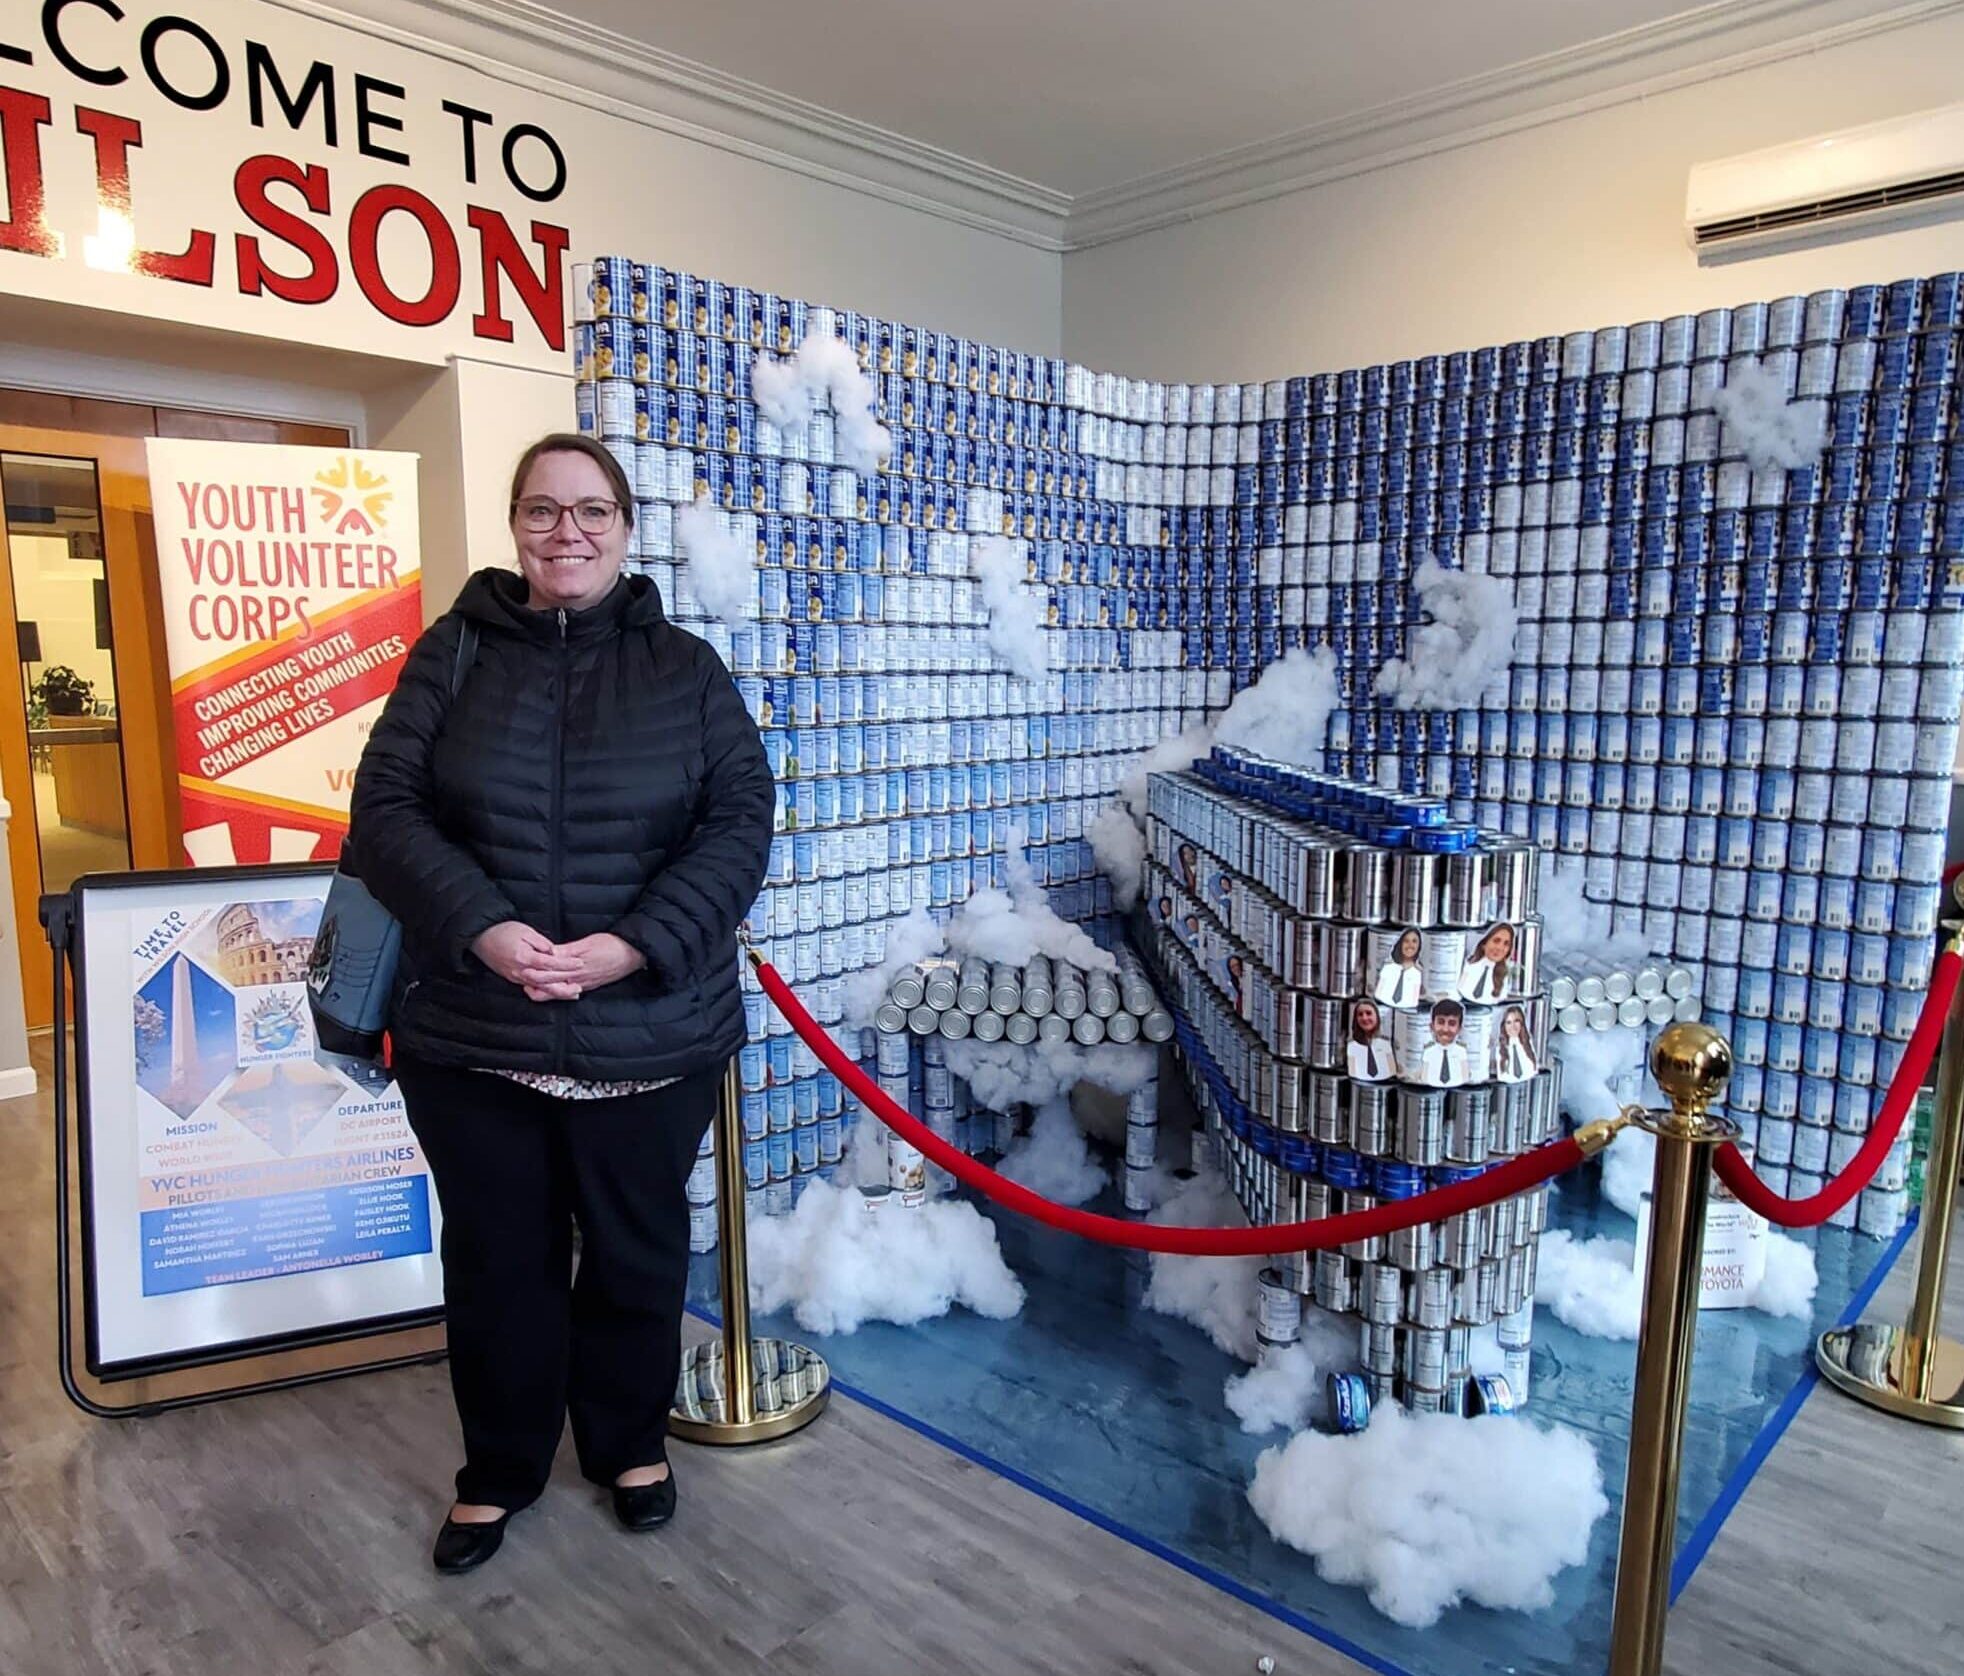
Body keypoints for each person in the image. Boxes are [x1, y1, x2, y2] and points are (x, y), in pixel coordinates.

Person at [348, 432, 773, 1575]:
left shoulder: (685, 669)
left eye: (590, 510)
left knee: (637, 1257)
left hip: (647, 1032)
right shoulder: (452, 654)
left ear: (626, 529)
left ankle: (628, 1445)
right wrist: (485, 928)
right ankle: (497, 1469)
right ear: (516, 526)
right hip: (477, 1035)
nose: (566, 531)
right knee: (497, 1262)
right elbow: (384, 809)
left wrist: (628, 947)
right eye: (541, 510)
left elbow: (738, 826)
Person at [1459, 922, 1517, 1004]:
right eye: (1496, 941)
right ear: (1484, 944)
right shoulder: (1469, 966)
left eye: (1506, 944)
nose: (1500, 948)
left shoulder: (1506, 975)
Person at [1420, 1000, 1471, 1087]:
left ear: (1459, 1028)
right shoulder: (1428, 1052)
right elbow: (1423, 1078)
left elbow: (1465, 1078)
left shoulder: (1461, 1052)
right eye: (1441, 1022)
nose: (1445, 1029)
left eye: (1452, 1023)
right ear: (1432, 1026)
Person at [1347, 1000, 1397, 1082]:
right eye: (1360, 1014)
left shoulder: (1386, 1044)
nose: (1364, 1018)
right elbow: (1353, 1073)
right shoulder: (1351, 1046)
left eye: (1368, 1013)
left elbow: (1391, 1071)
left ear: (1377, 1017)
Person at [1374, 928, 1423, 1009]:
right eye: (1406, 941)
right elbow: (1378, 994)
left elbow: (1414, 1001)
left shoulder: (1417, 973)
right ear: (1400, 944)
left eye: (1414, 941)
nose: (1410, 945)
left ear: (1419, 946)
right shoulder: (1388, 967)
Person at [1494, 1005, 1537, 1083]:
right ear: (1504, 1025)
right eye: (1508, 1022)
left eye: (1516, 1021)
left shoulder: (1528, 1044)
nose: (1513, 1026)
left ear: (1522, 1023)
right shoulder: (1500, 1048)